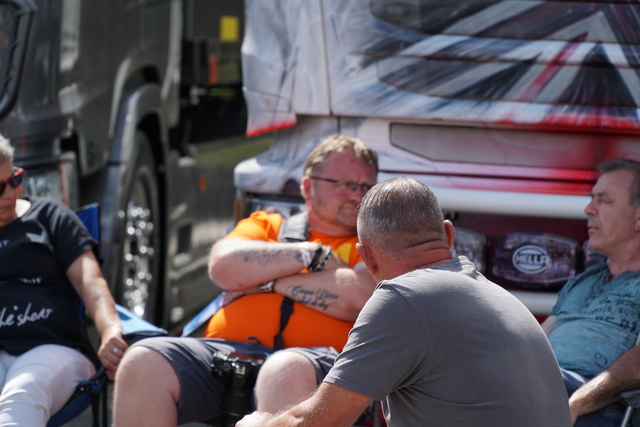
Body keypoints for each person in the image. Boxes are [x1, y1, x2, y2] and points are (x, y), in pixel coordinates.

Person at [238, 177, 572, 427]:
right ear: (448, 235)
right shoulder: (499, 296)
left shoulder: (403, 298)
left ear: (366, 256)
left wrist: (259, 422)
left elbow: (320, 421)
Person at [112, 135, 379, 426]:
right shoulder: (268, 225)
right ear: (308, 186)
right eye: (345, 185)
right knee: (143, 360)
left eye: (366, 186)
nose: (358, 196)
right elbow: (223, 268)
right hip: (227, 357)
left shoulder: (369, 245)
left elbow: (359, 297)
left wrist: (267, 281)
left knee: (284, 369)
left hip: (315, 367)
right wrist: (310, 254)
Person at [0, 135, 127, 426]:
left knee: (24, 391)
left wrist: (110, 331)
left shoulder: (50, 217)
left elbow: (90, 281)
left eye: (14, 180)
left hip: (53, 346)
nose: (8, 194)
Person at [541, 157, 640, 426]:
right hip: (543, 387)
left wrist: (576, 403)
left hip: (599, 403)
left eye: (603, 200)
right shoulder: (584, 280)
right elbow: (533, 343)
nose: (588, 209)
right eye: (591, 199)